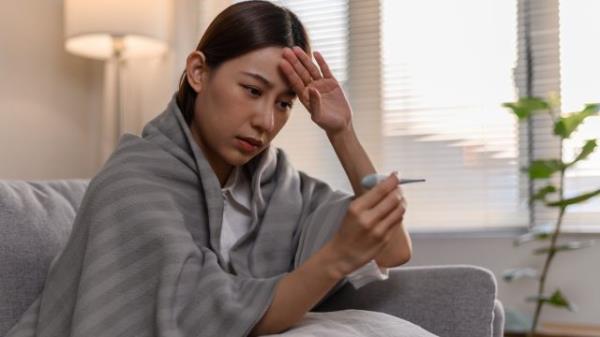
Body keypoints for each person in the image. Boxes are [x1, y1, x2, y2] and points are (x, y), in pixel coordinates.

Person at [6, 1, 434, 337]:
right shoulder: (132, 182)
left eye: (284, 103)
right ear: (198, 72)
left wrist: (342, 132)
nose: (266, 121)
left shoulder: (277, 186)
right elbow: (211, 315)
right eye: (252, 90)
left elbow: (393, 249)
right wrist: (338, 256)